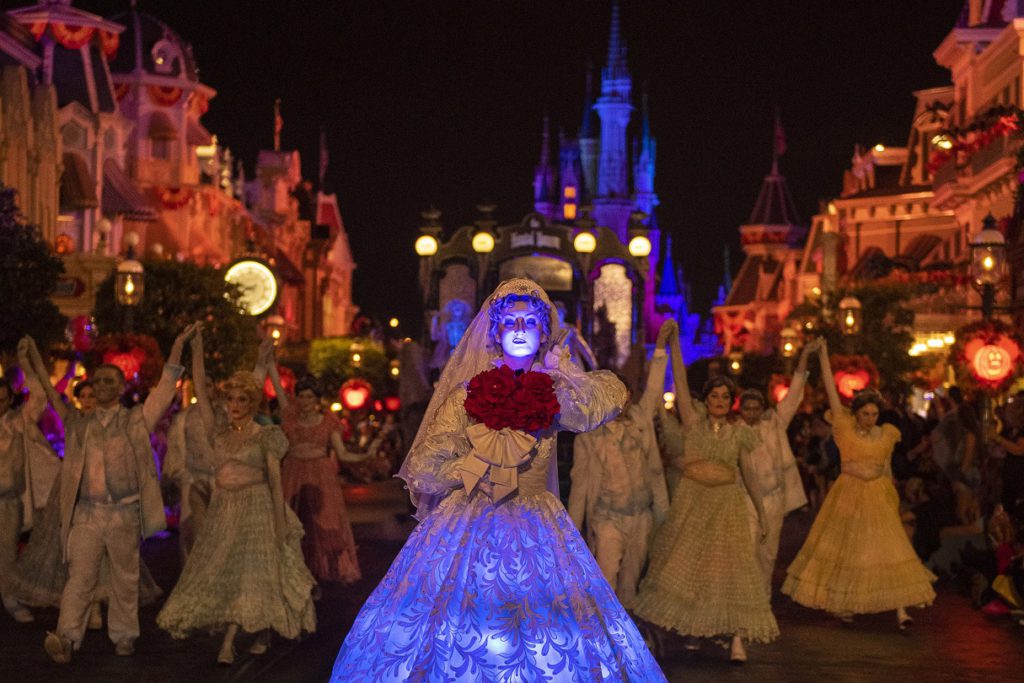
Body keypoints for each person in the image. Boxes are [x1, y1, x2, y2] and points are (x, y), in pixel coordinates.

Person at [331, 278, 665, 682]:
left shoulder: (555, 393)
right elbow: (421, 465)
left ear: (543, 332)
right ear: (496, 332)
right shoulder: (466, 394)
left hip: (535, 518)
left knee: (541, 621)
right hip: (469, 516)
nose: (520, 329)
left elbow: (609, 398)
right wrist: (473, 469)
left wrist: (568, 370)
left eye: (529, 322)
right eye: (510, 322)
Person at [30, 324, 197, 663]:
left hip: (123, 512)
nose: (103, 386)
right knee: (80, 578)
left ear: (121, 387)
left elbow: (165, 391)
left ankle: (124, 635)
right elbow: (49, 393)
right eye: (98, 381)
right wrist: (34, 356)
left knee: (125, 577)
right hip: (87, 514)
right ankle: (66, 638)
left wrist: (178, 348)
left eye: (110, 381)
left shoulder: (135, 421)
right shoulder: (78, 424)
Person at [157, 327, 315, 665]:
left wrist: (278, 522)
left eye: (243, 400)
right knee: (226, 569)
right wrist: (196, 351)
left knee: (254, 571)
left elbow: (274, 483)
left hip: (257, 506)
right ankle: (259, 630)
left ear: (253, 403)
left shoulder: (265, 436)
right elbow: (200, 387)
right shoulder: (219, 431)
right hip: (224, 507)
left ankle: (230, 642)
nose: (235, 406)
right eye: (231, 400)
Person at [632, 332, 777, 664]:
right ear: (707, 398)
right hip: (694, 503)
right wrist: (673, 345)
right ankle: (695, 627)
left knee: (732, 570)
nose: (721, 401)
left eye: (727, 396)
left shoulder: (740, 433)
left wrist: (763, 514)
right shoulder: (694, 422)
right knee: (693, 566)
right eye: (716, 395)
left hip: (727, 506)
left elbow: (750, 476)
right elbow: (681, 384)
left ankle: (737, 638)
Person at [782, 340, 936, 629]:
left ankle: (901, 609)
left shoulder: (886, 433)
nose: (870, 418)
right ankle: (845, 603)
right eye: (865, 414)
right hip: (849, 492)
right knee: (848, 549)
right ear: (857, 413)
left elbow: (887, 466)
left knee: (890, 549)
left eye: (874, 414)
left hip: (877, 492)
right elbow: (830, 389)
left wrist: (892, 496)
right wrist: (824, 355)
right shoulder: (844, 426)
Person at [568, 319, 672, 606]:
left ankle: (626, 642)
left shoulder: (639, 423)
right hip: (607, 517)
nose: (622, 404)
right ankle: (603, 638)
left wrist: (661, 346)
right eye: (615, 398)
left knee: (630, 581)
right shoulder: (590, 437)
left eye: (625, 398)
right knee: (606, 576)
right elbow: (580, 486)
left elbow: (652, 392)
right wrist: (572, 533)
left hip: (640, 514)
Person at [267, 361, 360, 585]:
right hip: (293, 472)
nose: (305, 402)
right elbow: (279, 388)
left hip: (320, 475)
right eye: (302, 397)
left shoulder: (328, 421)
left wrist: (367, 456)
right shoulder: (289, 416)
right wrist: (269, 360)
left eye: (310, 397)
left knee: (325, 521)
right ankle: (293, 571)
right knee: (293, 520)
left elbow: (343, 454)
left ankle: (326, 567)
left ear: (317, 400)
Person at [737, 340, 815, 593]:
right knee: (747, 552)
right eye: (747, 408)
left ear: (762, 408)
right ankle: (748, 605)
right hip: (745, 500)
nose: (751, 412)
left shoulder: (773, 424)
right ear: (741, 410)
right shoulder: (734, 432)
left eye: (756, 408)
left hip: (774, 498)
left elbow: (795, 394)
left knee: (768, 553)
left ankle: (764, 602)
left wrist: (804, 355)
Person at [0, 338, 46, 623]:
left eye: (2, 399)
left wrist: (26, 363)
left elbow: (39, 396)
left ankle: (10, 597)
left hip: (8, 501)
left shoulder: (17, 422)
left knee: (7, 552)